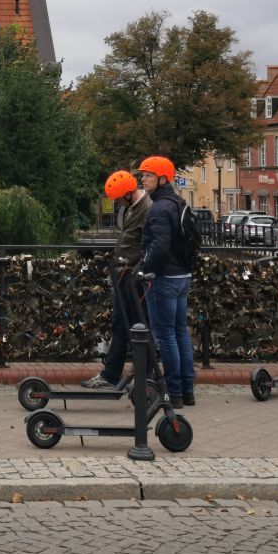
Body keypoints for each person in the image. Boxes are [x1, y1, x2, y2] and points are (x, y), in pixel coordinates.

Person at [82, 170, 152, 389]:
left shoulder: (147, 209)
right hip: (123, 273)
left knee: (141, 326)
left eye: (119, 198)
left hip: (135, 277)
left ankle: (145, 377)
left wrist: (136, 270)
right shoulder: (127, 207)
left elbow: (148, 245)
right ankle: (112, 374)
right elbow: (126, 238)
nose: (117, 203)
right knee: (120, 324)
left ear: (129, 193)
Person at [137, 155, 195, 409]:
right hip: (182, 276)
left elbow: (158, 246)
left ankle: (173, 391)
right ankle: (187, 389)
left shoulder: (159, 208)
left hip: (165, 279)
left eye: (148, 175)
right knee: (181, 333)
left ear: (162, 178)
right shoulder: (177, 202)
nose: (142, 179)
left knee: (166, 335)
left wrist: (144, 267)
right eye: (142, 175)